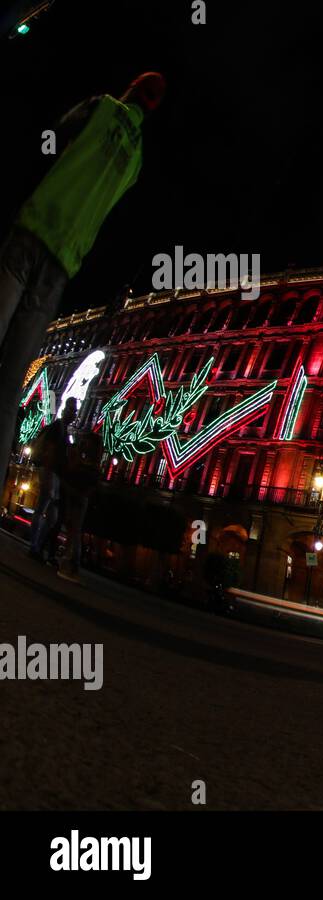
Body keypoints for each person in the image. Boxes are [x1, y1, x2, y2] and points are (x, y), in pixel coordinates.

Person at [0, 73, 165, 496]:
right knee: (10, 384)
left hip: (35, 226)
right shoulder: (137, 159)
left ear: (130, 89)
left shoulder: (104, 105)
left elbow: (54, 131)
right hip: (65, 258)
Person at [27, 397, 77, 564]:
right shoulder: (58, 427)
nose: (74, 413)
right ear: (66, 410)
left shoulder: (64, 430)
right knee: (43, 508)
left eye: (75, 410)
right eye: (72, 409)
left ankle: (38, 545)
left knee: (52, 515)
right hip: (50, 471)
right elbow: (50, 449)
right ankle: (34, 546)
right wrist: (49, 469)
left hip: (54, 474)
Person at [54, 414, 102, 583]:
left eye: (86, 443)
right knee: (72, 532)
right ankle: (68, 564)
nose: (84, 445)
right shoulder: (85, 462)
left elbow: (88, 486)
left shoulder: (92, 467)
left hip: (79, 500)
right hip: (75, 498)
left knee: (74, 534)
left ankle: (72, 566)